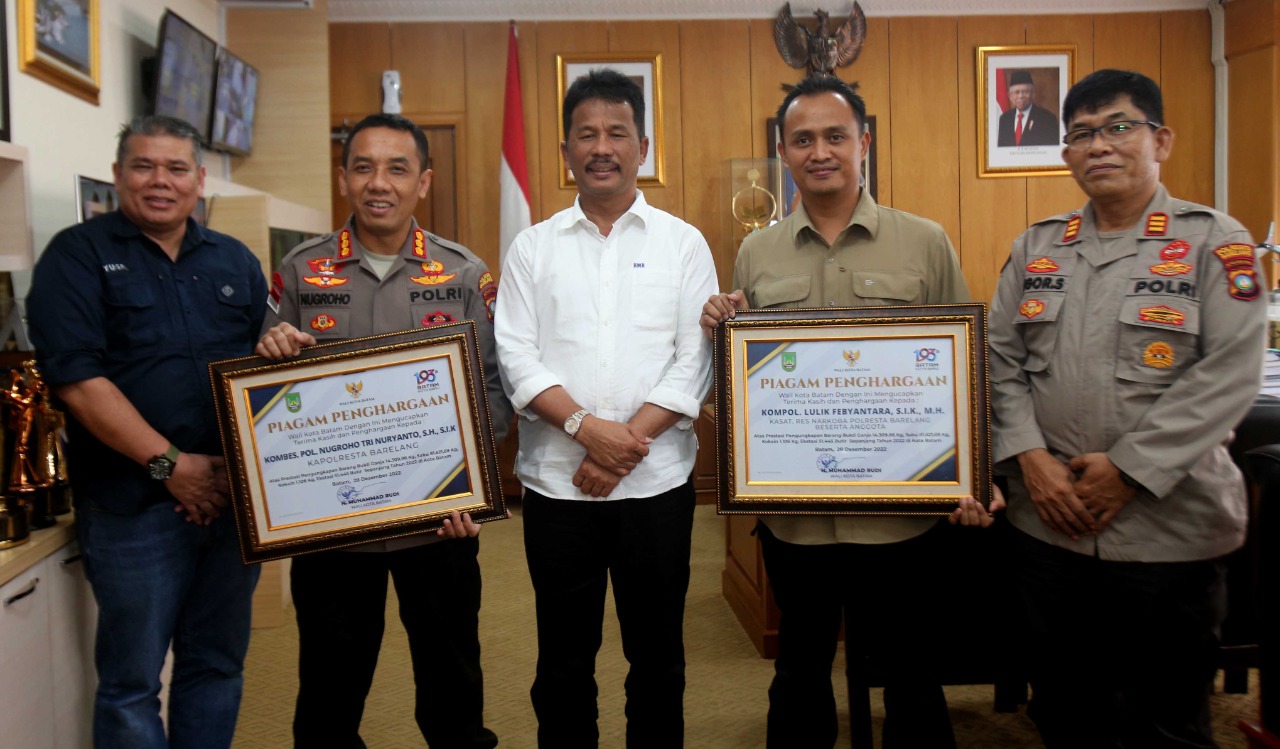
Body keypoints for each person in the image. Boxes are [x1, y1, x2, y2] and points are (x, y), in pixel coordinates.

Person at [701, 73, 1002, 749]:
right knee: (798, 671)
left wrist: (976, 470)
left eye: (835, 136)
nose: (820, 152)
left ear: (863, 143)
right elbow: (750, 378)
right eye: (802, 139)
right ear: (784, 151)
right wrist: (722, 329)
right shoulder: (757, 250)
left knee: (911, 676)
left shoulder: (923, 240)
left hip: (901, 518)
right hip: (796, 519)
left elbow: (967, 366)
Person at [988, 69, 1266, 748]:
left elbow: (1231, 372)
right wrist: (1030, 459)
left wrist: (1130, 469)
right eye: (1082, 134)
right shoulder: (1037, 246)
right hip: (1050, 526)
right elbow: (999, 359)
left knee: (1166, 720)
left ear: (1159, 140)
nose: (1099, 146)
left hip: (1169, 531)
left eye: (1118, 127)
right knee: (1065, 712)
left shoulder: (1215, 242)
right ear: (1067, 154)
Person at [255, 112, 511, 749]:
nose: (379, 183)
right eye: (364, 167)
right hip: (334, 530)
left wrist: (470, 484)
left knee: (453, 691)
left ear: (423, 182)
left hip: (439, 523)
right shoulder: (301, 270)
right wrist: (271, 353)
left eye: (398, 169)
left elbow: (494, 390)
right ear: (343, 177)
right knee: (328, 697)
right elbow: (264, 397)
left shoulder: (462, 273)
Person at [494, 68, 716, 748]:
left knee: (658, 655)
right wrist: (588, 431)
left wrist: (622, 448)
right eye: (586, 134)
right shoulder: (532, 247)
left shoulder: (683, 243)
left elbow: (695, 360)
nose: (601, 147)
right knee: (563, 660)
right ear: (565, 150)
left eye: (616, 132)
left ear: (641, 146)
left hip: (657, 486)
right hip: (558, 487)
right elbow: (516, 355)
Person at [27, 114, 265, 749]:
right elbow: (79, 383)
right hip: (134, 507)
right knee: (132, 682)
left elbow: (261, 370)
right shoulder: (76, 256)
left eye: (176, 168)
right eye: (144, 166)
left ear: (199, 179)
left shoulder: (234, 259)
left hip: (230, 503)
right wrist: (172, 468)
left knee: (216, 665)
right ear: (118, 175)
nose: (161, 181)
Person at [997, 70, 1059, 147]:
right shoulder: (1004, 119)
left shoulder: (1048, 119)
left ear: (1033, 94)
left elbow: (1052, 150)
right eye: (1017, 92)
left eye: (1025, 92)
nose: (1021, 96)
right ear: (1010, 96)